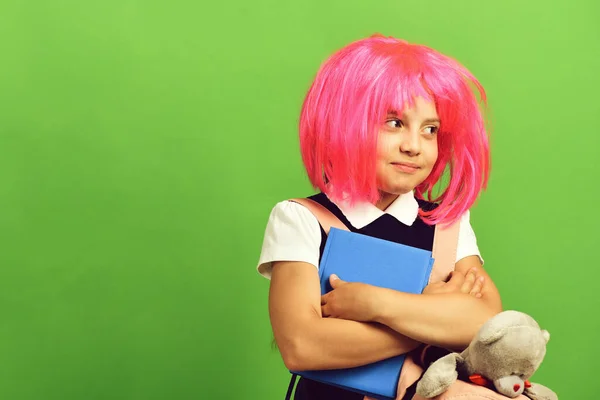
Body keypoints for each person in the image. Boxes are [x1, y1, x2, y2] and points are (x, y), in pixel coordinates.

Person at [256, 34, 503, 400]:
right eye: (393, 123)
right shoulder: (302, 218)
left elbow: (486, 326)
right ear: (343, 124)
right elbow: (302, 346)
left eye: (429, 129)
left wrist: (376, 305)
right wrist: (432, 313)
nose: (413, 145)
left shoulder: (447, 225)